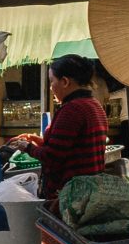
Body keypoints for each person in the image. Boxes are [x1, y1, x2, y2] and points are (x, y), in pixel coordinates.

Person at [14, 54, 111, 206]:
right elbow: (71, 147)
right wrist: (38, 141)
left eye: (52, 81)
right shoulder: (94, 105)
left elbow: (52, 157)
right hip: (89, 193)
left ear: (65, 82)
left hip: (69, 197)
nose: (51, 88)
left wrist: (27, 147)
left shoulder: (72, 110)